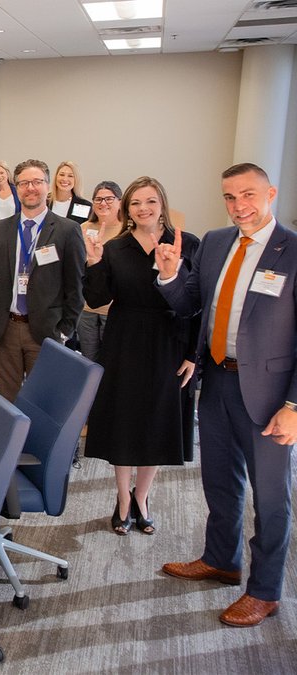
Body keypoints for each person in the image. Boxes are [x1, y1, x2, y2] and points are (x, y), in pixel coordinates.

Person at [156, 163, 297, 627]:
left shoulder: (293, 251)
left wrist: (294, 406)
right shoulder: (216, 241)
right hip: (216, 379)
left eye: (249, 195)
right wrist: (171, 275)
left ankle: (265, 590)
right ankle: (221, 559)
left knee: (272, 497)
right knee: (219, 480)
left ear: (270, 193)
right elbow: (191, 303)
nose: (240, 206)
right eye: (230, 197)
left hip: (272, 395)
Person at [82, 176, 199, 536]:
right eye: (135, 203)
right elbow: (98, 299)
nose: (143, 209)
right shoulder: (115, 247)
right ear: (126, 209)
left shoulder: (186, 244)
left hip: (169, 343)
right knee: (125, 422)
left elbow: (196, 304)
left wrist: (192, 354)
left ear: (162, 203)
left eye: (150, 201)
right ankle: (122, 498)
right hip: (124, 341)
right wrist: (94, 262)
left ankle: (143, 497)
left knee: (156, 423)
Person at [0, 158, 85, 402]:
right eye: (23, 183)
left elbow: (76, 287)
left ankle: (37, 442)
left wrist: (64, 331)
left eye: (37, 182)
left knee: (43, 400)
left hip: (46, 331)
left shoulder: (67, 230)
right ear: (16, 187)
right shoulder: (1, 229)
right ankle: (12, 441)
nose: (30, 188)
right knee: (7, 399)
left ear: (47, 186)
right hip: (6, 328)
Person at [75, 181, 123, 362]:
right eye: (98, 199)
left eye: (109, 199)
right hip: (86, 308)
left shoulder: (127, 230)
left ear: (119, 202)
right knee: (89, 360)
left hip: (113, 310)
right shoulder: (84, 228)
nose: (103, 203)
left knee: (111, 361)